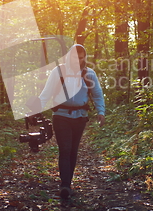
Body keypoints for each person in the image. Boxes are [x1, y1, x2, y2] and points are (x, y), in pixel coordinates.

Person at [39, 44, 105, 199]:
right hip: (61, 116)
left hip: (80, 117)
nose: (78, 60)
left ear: (84, 58)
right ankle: (65, 185)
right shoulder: (58, 71)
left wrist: (101, 112)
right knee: (65, 148)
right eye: (75, 57)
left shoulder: (89, 74)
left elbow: (97, 94)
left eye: (81, 57)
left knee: (73, 149)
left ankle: (67, 183)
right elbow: (46, 93)